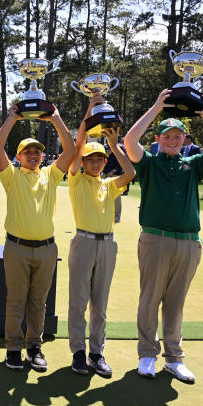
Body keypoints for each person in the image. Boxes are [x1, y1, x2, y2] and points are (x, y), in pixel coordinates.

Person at [123, 90, 203, 384]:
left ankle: (174, 359)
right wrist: (156, 106)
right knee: (150, 300)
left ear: (185, 139)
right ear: (158, 139)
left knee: (175, 303)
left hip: (189, 242)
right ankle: (147, 355)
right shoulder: (148, 163)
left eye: (177, 136)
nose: (172, 140)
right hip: (155, 239)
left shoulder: (193, 164)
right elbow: (129, 142)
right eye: (166, 136)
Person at [0, 104, 76, 372]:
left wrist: (57, 119)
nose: (34, 155)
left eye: (38, 151)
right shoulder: (11, 176)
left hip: (47, 249)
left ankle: (34, 347)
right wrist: (13, 118)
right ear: (18, 156)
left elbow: (71, 151)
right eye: (28, 152)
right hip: (17, 247)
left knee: (39, 302)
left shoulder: (51, 175)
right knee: (16, 300)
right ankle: (13, 348)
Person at [67, 96, 136, 377]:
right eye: (90, 159)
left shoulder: (109, 184)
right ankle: (78, 353)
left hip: (107, 244)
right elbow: (76, 147)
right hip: (83, 242)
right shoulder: (75, 178)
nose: (95, 163)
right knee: (78, 302)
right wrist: (90, 112)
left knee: (100, 304)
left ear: (105, 161)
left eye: (99, 159)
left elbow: (130, 172)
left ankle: (97, 352)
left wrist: (115, 146)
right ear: (83, 162)